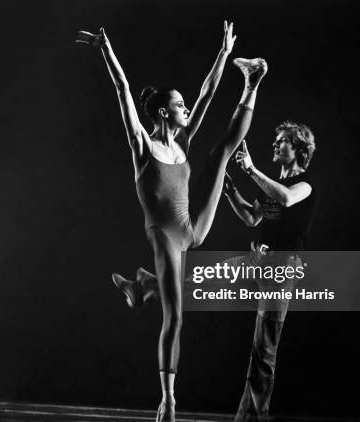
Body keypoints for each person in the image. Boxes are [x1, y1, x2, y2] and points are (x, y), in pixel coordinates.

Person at [77, 23, 267, 421]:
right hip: (164, 234)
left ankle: (251, 83)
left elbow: (208, 93)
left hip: (192, 229)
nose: (186, 109)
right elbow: (123, 91)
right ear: (164, 112)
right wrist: (106, 51)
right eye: (179, 105)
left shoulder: (183, 143)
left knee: (222, 153)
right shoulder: (143, 147)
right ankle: (168, 398)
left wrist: (223, 52)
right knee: (176, 315)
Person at [224, 122, 318, 421]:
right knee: (201, 276)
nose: (276, 145)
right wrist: (229, 190)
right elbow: (252, 218)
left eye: (283, 142)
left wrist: (250, 170)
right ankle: (148, 285)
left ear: (299, 150)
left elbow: (287, 199)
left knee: (263, 350)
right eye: (276, 141)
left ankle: (253, 417)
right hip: (259, 262)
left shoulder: (304, 184)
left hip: (282, 271)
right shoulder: (271, 189)